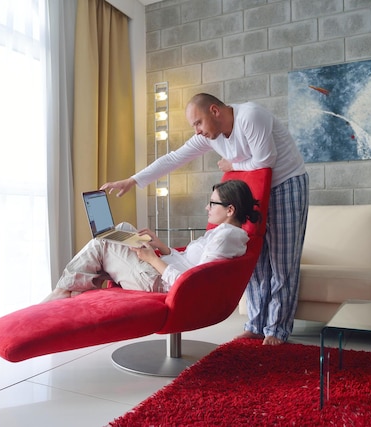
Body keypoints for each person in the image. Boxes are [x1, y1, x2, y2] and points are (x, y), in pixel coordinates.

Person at [100, 93, 309, 346]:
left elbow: (266, 161)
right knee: (254, 259)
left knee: (281, 260)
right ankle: (256, 324)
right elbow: (174, 158)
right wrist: (132, 180)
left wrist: (231, 165)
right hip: (253, 187)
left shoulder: (251, 116)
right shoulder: (212, 137)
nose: (197, 131)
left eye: (198, 123)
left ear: (215, 111)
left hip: (285, 183)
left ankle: (277, 329)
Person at [43, 180, 261, 302]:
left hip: (158, 283)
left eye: (212, 204)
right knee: (123, 229)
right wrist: (162, 247)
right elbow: (192, 265)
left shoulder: (225, 238)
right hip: (161, 273)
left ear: (230, 209)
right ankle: (79, 289)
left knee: (103, 241)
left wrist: (153, 260)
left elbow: (193, 284)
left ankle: (64, 291)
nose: (207, 208)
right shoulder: (226, 233)